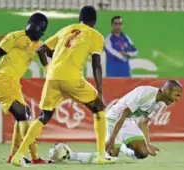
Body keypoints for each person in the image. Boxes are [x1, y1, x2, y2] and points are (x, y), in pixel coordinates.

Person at [11, 6, 114, 166]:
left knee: (43, 117)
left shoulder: (66, 29)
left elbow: (41, 49)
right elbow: (96, 64)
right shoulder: (95, 35)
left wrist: (48, 67)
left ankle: (19, 156)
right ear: (94, 21)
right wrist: (99, 90)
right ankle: (101, 155)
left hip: (52, 77)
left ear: (80, 18)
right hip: (72, 78)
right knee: (99, 108)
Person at [0, 13, 49, 164]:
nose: (40, 34)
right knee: (23, 114)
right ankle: (34, 157)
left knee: (25, 113)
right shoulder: (15, 37)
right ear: (34, 27)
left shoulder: (38, 44)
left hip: (14, 84)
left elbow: (48, 53)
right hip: (1, 80)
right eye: (40, 30)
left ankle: (13, 155)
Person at [106, 80, 183, 159]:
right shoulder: (146, 94)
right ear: (166, 90)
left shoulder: (159, 103)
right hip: (115, 118)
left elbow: (144, 122)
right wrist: (112, 138)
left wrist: (148, 144)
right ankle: (114, 144)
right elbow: (124, 113)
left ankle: (122, 147)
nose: (177, 99)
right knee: (112, 155)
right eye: (177, 95)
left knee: (143, 152)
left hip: (128, 121)